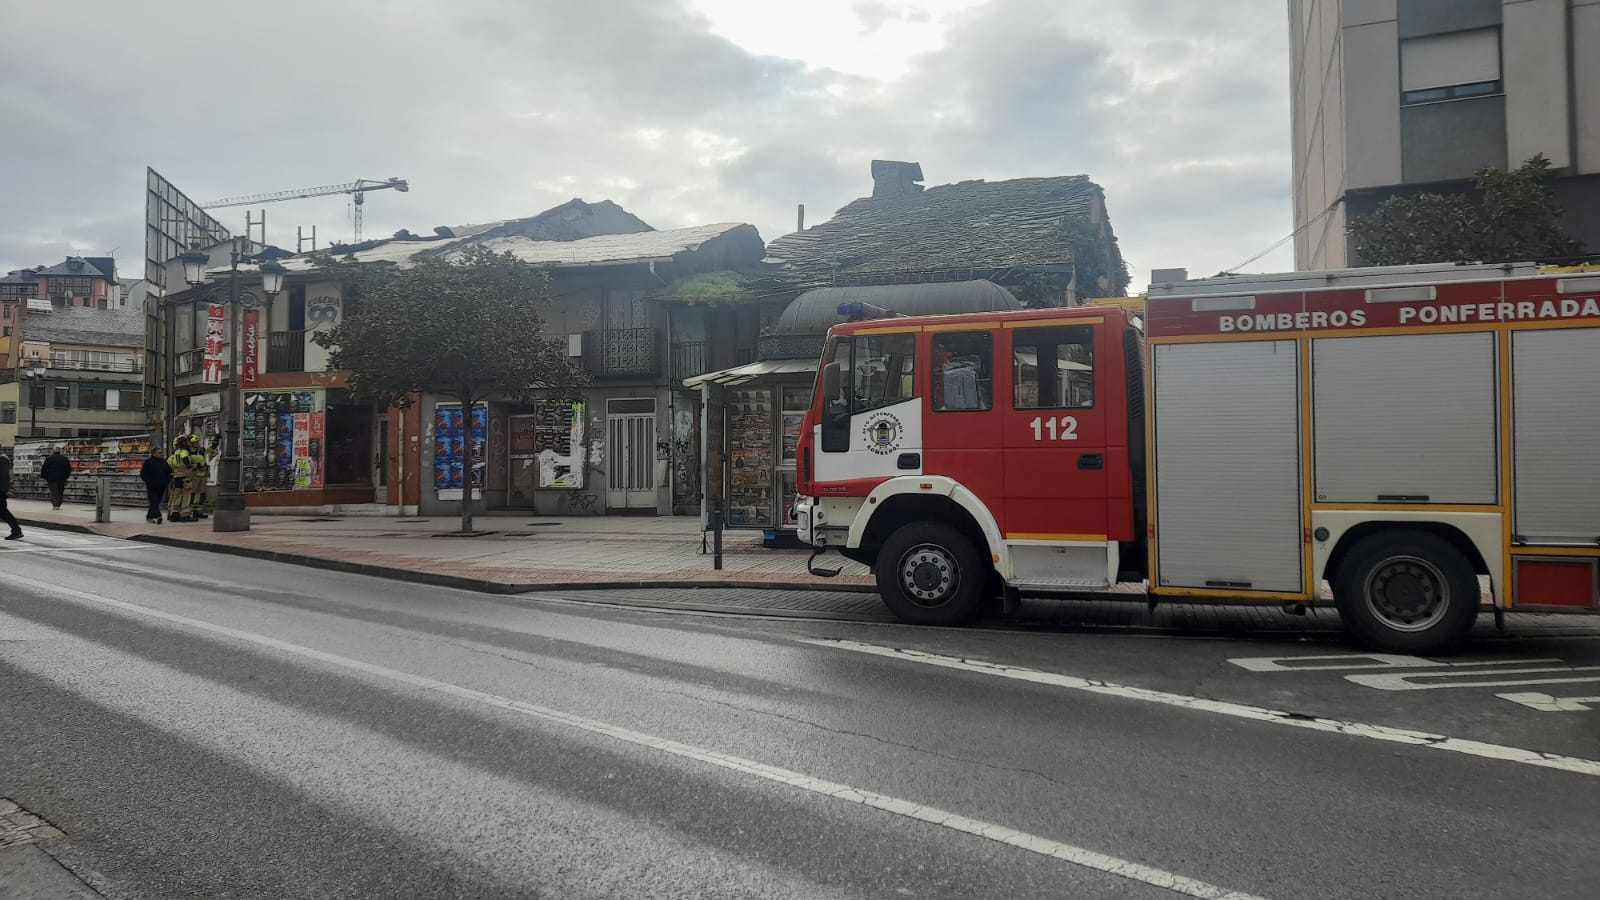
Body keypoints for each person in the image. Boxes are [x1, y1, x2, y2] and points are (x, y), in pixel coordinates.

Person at [141, 446, 172, 524]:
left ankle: (149, 516)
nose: (161, 454)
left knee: (156, 501)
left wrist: (167, 481)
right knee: (153, 500)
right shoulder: (148, 462)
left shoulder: (164, 462)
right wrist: (149, 481)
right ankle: (158, 516)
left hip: (161, 486)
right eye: (159, 452)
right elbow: (143, 474)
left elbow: (169, 472)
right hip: (151, 486)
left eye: (162, 452)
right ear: (154, 453)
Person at [0, 452, 21, 540]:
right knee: (3, 512)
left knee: (3, 512)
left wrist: (4, 490)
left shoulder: (2, 460)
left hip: (0, 491)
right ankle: (16, 530)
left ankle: (16, 531)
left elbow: (4, 476)